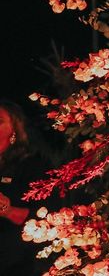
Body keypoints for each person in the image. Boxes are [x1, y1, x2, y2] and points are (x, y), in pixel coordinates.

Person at [0, 100, 47, 275]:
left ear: (14, 129)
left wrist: (8, 210)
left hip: (15, 262)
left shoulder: (32, 165)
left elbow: (44, 216)